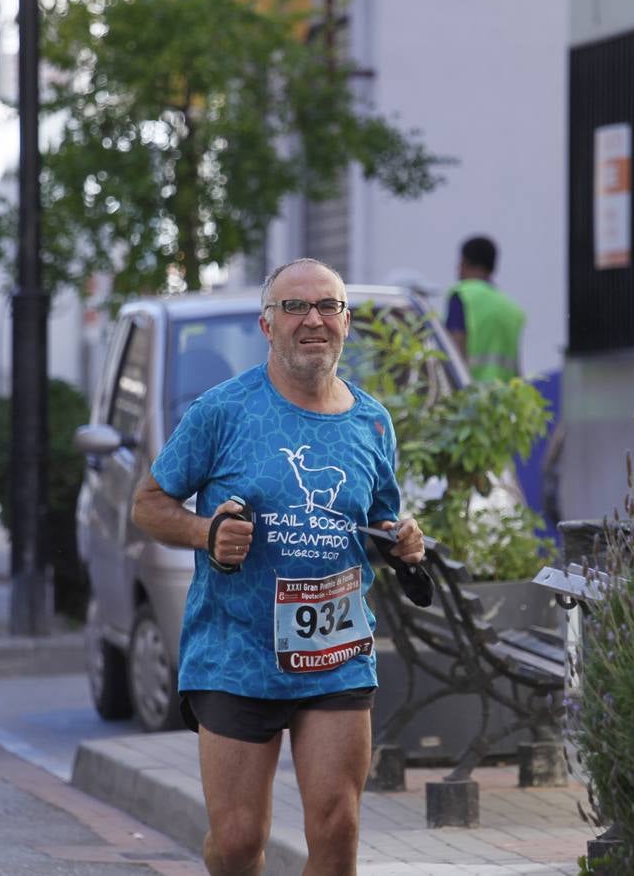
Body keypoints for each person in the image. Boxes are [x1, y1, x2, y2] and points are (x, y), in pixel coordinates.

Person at [131, 258, 425, 876]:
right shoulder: (223, 410)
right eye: (295, 307)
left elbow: (378, 520)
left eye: (328, 307)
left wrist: (403, 539)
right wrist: (205, 532)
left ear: (345, 323)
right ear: (268, 325)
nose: (313, 320)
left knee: (338, 824)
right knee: (239, 841)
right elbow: (149, 505)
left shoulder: (372, 421)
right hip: (236, 649)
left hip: (336, 647)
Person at [445, 235, 526, 382]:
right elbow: (516, 366)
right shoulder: (512, 309)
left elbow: (454, 352)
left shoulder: (463, 295)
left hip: (473, 397)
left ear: (465, 262)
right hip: (504, 398)